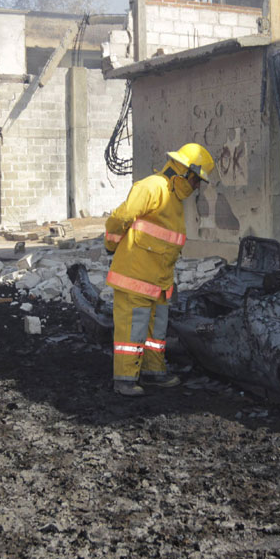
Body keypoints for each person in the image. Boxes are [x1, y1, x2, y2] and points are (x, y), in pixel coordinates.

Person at [104, 142, 215, 396]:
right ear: (185, 172)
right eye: (197, 180)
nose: (197, 186)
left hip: (159, 282)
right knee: (132, 333)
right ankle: (124, 381)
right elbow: (120, 218)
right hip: (135, 277)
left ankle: (154, 372)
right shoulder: (153, 188)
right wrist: (110, 244)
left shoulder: (174, 200)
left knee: (156, 331)